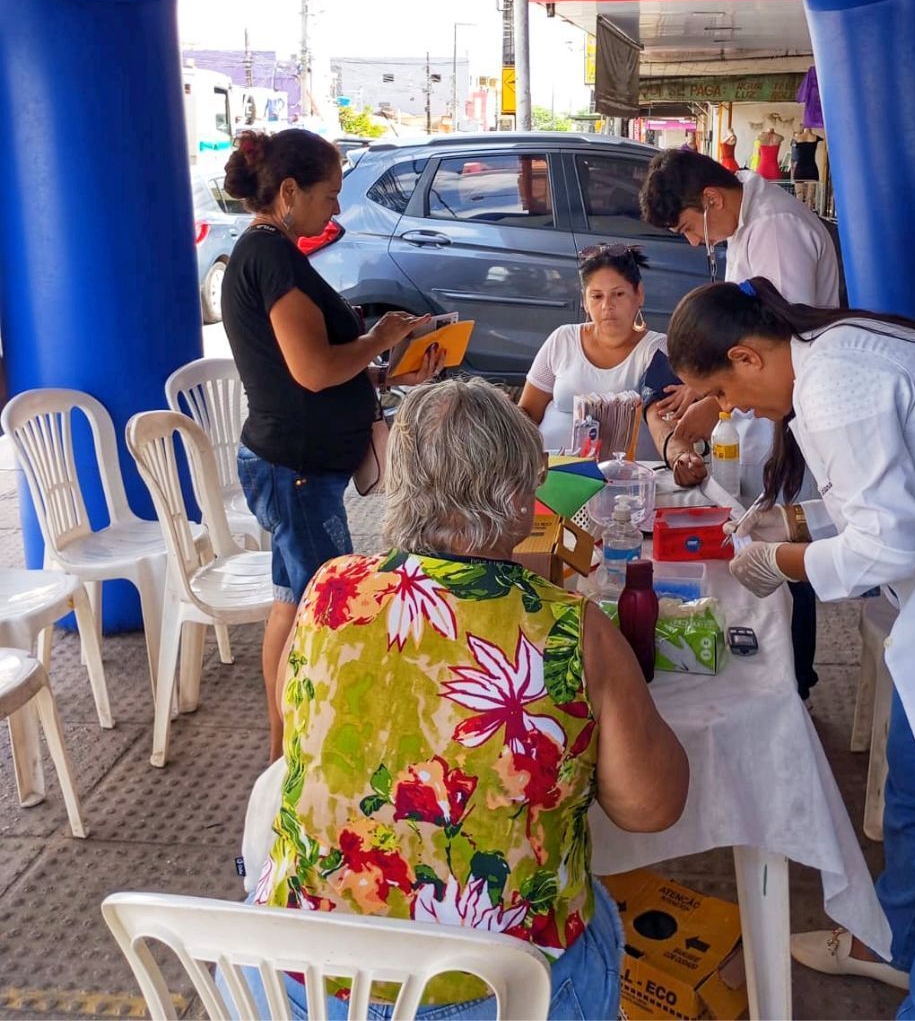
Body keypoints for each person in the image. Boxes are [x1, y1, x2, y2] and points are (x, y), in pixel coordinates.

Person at [665, 276, 915, 1018]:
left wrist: (781, 563)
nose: (732, 411)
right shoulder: (833, 353)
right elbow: (884, 497)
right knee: (911, 799)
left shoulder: (834, 382)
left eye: (722, 392)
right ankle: (895, 946)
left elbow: (887, 544)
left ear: (746, 357)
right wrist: (793, 523)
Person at [251, 378, 690, 1020]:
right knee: (595, 908)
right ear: (517, 500)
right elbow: (651, 807)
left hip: (300, 985)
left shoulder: (329, 591)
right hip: (492, 995)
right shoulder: (571, 628)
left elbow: (299, 721)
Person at [221, 128, 445, 760]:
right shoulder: (270, 257)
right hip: (293, 465)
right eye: (329, 194)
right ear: (289, 192)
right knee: (327, 605)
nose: (338, 208)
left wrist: (386, 375)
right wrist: (379, 339)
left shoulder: (272, 253)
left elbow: (302, 371)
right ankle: (306, 747)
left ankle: (284, 746)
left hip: (294, 462)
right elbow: (314, 370)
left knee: (294, 602)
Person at [638, 149, 840, 699]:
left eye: (688, 227)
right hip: (763, 417)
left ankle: (793, 684)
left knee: (792, 552)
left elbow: (770, 346)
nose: (693, 242)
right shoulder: (746, 221)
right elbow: (738, 343)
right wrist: (706, 386)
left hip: (785, 417)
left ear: (711, 199)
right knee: (765, 538)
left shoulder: (776, 230)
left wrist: (714, 399)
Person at [519, 244, 693, 458]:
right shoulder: (562, 339)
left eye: (618, 294)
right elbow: (527, 413)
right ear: (584, 301)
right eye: (597, 296)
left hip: (629, 474)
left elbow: (662, 420)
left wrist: (679, 457)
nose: (607, 306)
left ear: (639, 294)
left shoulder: (655, 348)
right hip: (554, 470)